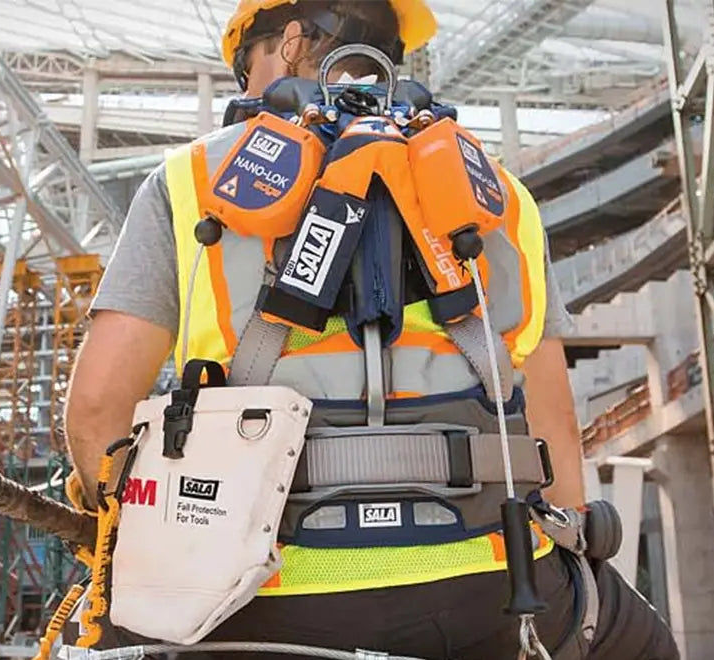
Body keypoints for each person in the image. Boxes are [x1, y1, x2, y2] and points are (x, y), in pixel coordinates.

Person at [62, 1, 678, 658]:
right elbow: (553, 428)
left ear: (289, 40)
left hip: (251, 597)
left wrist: (121, 518)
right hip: (495, 588)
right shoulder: (497, 194)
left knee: (99, 631)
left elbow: (97, 410)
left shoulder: (190, 181)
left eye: (244, 67)